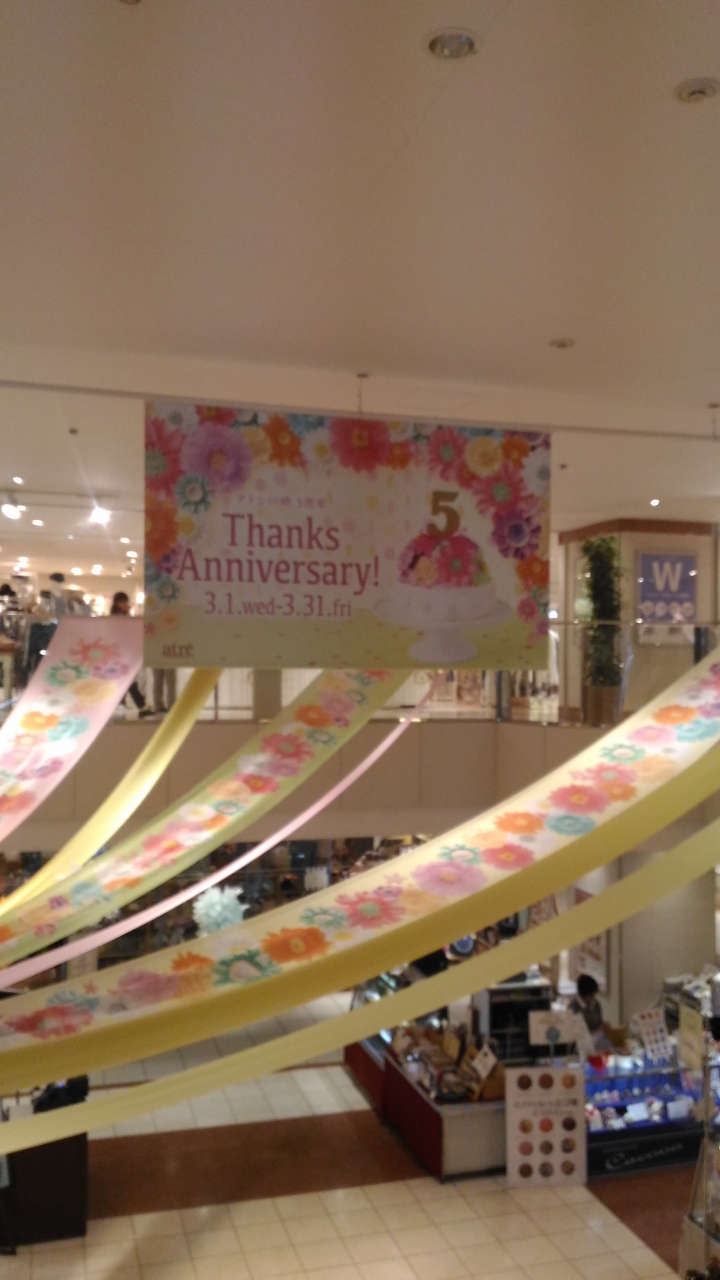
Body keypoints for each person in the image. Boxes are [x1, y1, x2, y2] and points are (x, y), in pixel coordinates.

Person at [110, 591, 153, 717]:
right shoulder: (119, 618)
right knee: (128, 680)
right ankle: (140, 705)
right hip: (121, 653)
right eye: (124, 602)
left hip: (122, 652)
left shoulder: (121, 617)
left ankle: (133, 705)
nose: (127, 605)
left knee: (125, 680)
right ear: (118, 603)